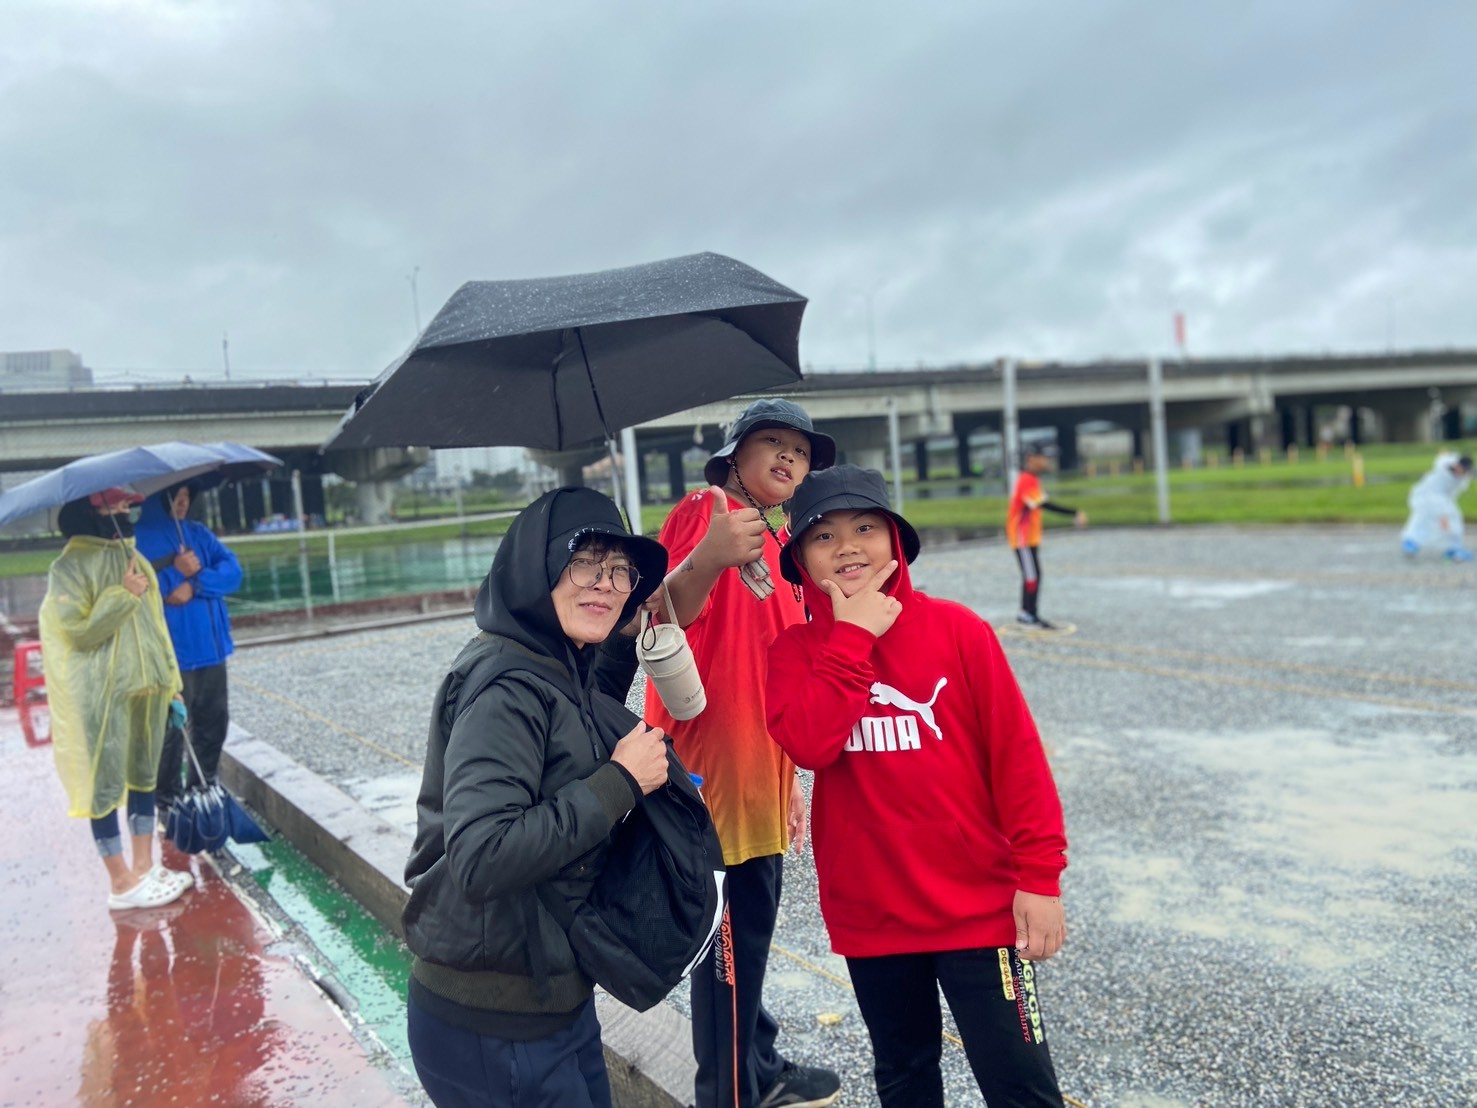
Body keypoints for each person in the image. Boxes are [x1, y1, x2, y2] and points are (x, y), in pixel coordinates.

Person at [765, 465, 1069, 1108]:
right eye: (824, 536)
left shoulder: (958, 630)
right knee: (905, 1076)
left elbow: (1018, 761)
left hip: (980, 909)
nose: (847, 547)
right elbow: (811, 745)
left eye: (865, 528)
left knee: (1023, 1086)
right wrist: (852, 638)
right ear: (801, 559)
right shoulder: (794, 652)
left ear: (895, 542)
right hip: (873, 913)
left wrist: (1040, 878)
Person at [402, 487, 674, 1108]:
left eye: (619, 570)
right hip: (491, 1023)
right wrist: (620, 781)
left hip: (550, 1001)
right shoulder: (506, 687)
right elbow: (482, 856)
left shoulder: (555, 663)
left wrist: (627, 634)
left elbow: (576, 717)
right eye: (584, 563)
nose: (604, 584)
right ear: (535, 566)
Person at [645, 397, 842, 1108]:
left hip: (760, 769)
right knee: (729, 950)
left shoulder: (777, 541)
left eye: (801, 450)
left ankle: (760, 1065)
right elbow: (659, 612)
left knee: (747, 937)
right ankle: (727, 1093)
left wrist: (789, 779)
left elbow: (769, 672)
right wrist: (707, 556)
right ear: (735, 455)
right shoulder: (707, 511)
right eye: (773, 442)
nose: (790, 456)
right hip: (714, 776)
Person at [38, 489, 193, 911]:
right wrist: (122, 594)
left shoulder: (134, 557)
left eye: (128, 505)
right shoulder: (69, 567)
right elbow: (77, 631)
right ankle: (120, 881)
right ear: (90, 512)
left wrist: (171, 682)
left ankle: (143, 867)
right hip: (101, 695)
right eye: (117, 506)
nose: (126, 511)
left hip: (148, 686)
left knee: (145, 777)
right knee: (103, 785)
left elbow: (156, 627)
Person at [133, 480, 244, 812]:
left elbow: (233, 571)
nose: (182, 502)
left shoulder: (198, 534)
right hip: (172, 656)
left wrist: (195, 584)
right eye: (175, 496)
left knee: (214, 722)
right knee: (171, 731)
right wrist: (173, 573)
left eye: (186, 496)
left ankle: (203, 787)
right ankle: (166, 800)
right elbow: (135, 594)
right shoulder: (138, 542)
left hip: (212, 651)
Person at [1007, 448, 1087, 630]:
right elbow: (1043, 504)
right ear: (1031, 459)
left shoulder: (1033, 479)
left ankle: (1028, 612)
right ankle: (1028, 613)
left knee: (1034, 575)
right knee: (1032, 576)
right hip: (1022, 538)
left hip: (1030, 538)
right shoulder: (1026, 479)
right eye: (1043, 458)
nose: (1046, 462)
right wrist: (1074, 513)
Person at [1400, 451, 1473, 561]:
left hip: (1441, 499)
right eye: (1460, 468)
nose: (1461, 471)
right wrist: (1443, 514)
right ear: (1457, 465)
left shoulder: (1462, 480)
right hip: (1424, 495)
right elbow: (1442, 459)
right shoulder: (1444, 465)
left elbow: (1451, 495)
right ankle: (1411, 543)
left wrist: (1443, 514)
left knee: (1452, 519)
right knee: (1422, 519)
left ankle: (1452, 548)